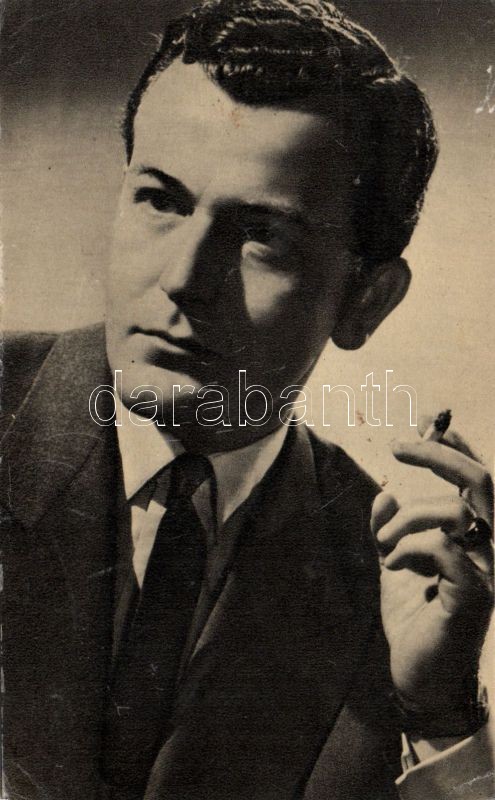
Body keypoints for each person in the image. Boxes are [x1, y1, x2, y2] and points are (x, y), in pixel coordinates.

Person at [1, 1, 493, 799]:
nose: (184, 278)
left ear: (366, 301)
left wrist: (438, 715)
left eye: (263, 236)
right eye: (160, 200)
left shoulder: (388, 574)